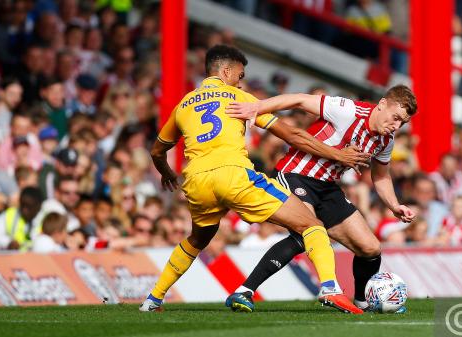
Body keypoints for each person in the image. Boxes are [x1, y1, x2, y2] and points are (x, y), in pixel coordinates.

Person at [140, 45, 370, 314]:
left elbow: (157, 151)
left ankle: (153, 299)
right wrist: (337, 154)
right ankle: (331, 288)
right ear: (225, 71)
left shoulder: (184, 104)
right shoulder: (239, 98)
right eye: (239, 74)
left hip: (197, 181)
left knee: (197, 240)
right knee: (312, 225)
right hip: (234, 175)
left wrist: (167, 173)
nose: (241, 80)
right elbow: (292, 136)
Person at [223, 85, 417, 312]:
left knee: (370, 248)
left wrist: (394, 205)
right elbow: (299, 99)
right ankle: (244, 290)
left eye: (402, 123)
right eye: (395, 117)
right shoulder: (349, 110)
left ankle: (362, 301)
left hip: (327, 187)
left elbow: (381, 176)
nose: (396, 126)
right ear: (382, 104)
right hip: (295, 174)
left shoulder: (386, 140)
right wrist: (257, 107)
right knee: (306, 232)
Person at [0, 186, 43, 251]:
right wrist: (8, 243)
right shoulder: (9, 214)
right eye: (23, 205)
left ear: (38, 206)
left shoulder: (48, 218)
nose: (24, 210)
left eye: (29, 206)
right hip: (14, 258)